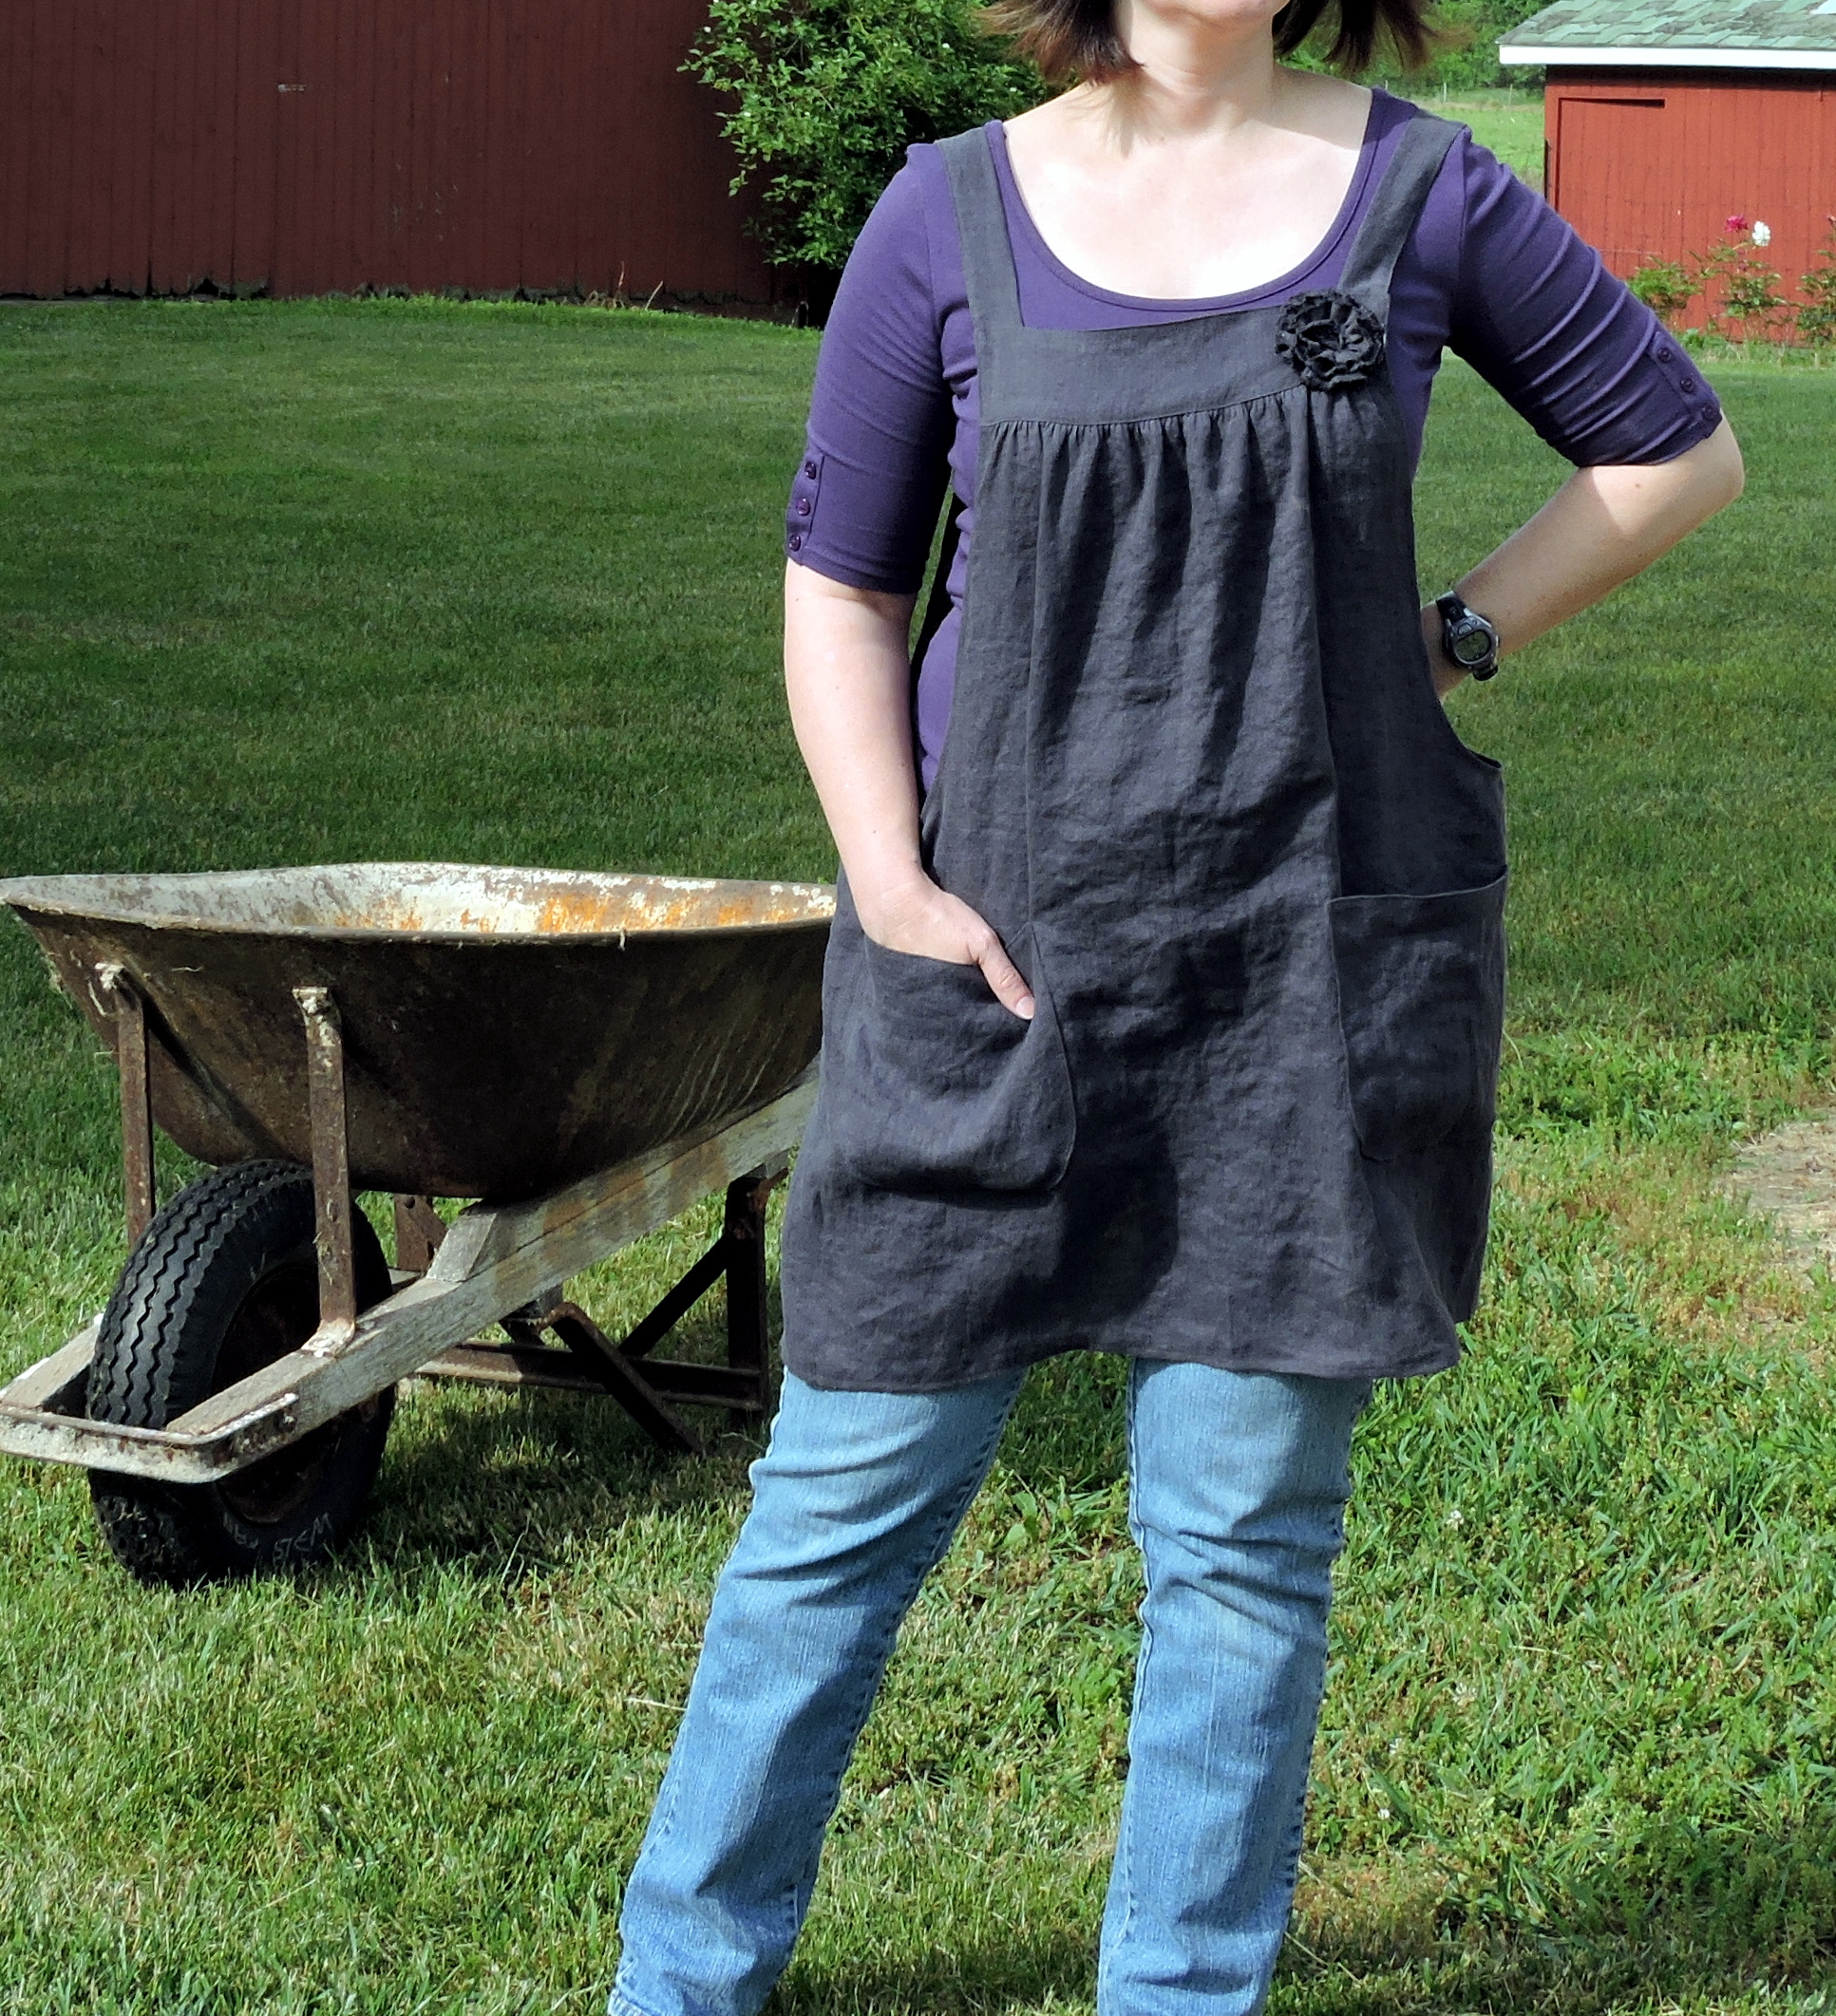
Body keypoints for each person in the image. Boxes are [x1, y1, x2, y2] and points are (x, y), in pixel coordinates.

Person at [613, 0, 1744, 2008]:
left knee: (1241, 1552)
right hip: (989, 966)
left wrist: (1453, 632)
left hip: (1301, 979)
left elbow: (1674, 448)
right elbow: (843, 582)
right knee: (833, 1520)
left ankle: (1180, 1992)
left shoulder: (1425, 191)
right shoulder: (951, 210)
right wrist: (885, 875)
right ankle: (683, 1980)